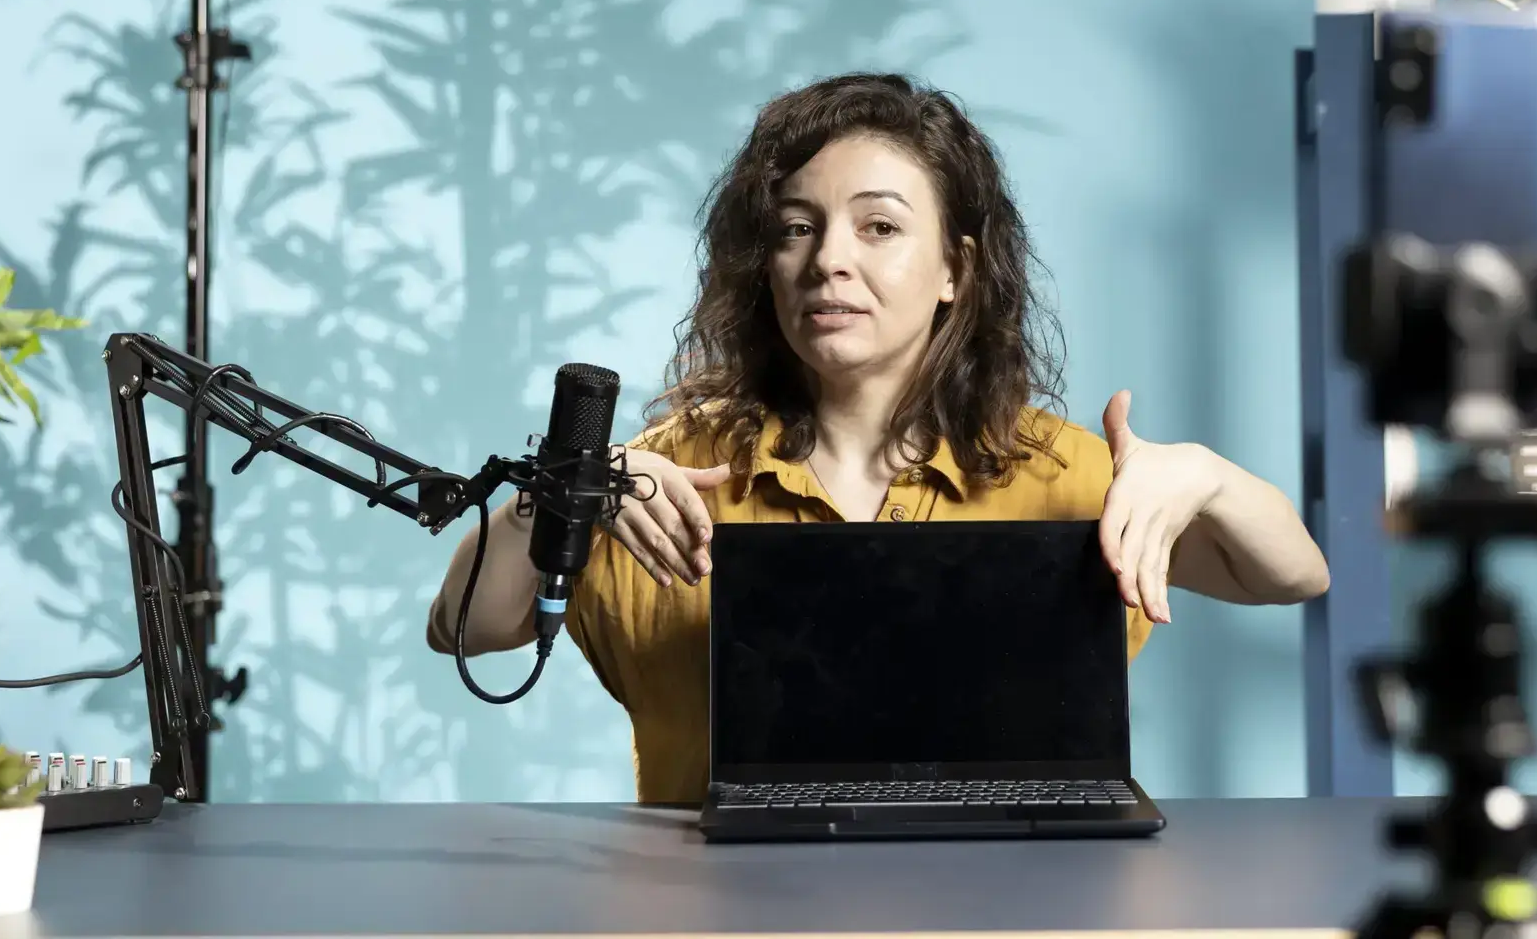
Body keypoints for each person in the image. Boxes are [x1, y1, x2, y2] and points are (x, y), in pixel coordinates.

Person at [427, 72, 1329, 804]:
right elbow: (466, 629)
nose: (829, 260)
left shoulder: (1062, 473)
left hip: (1014, 907)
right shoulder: (671, 471)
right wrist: (565, 492)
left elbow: (1290, 573)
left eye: (881, 226)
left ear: (954, 270)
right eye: (795, 229)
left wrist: (1203, 479)